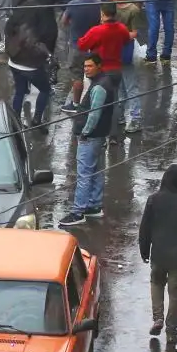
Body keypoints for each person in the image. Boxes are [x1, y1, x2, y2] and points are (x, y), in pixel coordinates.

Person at [137, 165, 177, 345]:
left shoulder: (153, 200)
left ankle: (157, 317)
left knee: (156, 283)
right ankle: (171, 329)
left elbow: (145, 229)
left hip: (158, 253)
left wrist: (144, 250)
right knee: (176, 295)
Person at [60, 55, 113, 228]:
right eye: (85, 66)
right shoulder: (102, 83)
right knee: (96, 171)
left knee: (84, 175)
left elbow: (94, 114)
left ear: (99, 66)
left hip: (90, 138)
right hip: (98, 137)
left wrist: (85, 133)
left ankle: (78, 212)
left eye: (90, 66)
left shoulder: (99, 87)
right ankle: (94, 206)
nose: (86, 69)